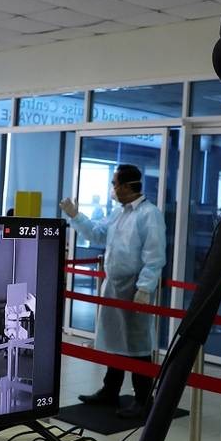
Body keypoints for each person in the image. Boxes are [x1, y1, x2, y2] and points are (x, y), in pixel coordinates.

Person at [60, 165, 166, 419]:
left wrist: (144, 288)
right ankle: (110, 390)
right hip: (114, 285)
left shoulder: (149, 215)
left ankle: (143, 399)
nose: (113, 189)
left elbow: (154, 255)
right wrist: (76, 216)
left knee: (137, 346)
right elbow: (97, 233)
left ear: (128, 186)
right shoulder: (120, 214)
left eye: (115, 183)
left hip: (135, 287)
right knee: (117, 342)